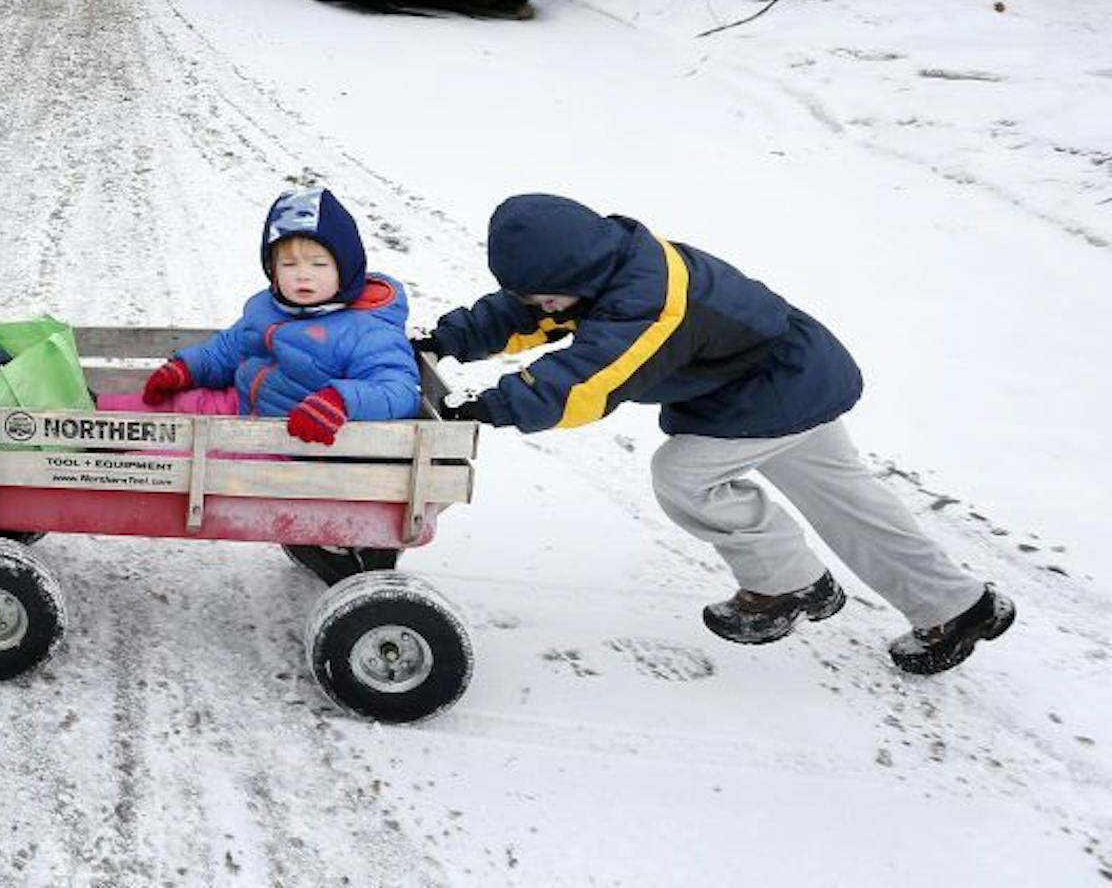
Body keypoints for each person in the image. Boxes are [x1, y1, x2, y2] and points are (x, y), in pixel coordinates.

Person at [420, 193, 1013, 676]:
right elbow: (523, 314)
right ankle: (960, 606)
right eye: (532, 294)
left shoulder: (651, 299)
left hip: (775, 387)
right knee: (849, 502)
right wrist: (444, 341)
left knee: (684, 474)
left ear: (577, 269)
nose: (539, 305)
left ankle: (792, 585)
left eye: (544, 293)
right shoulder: (600, 266)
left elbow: (589, 382)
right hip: (777, 376)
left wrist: (491, 406)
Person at [104, 187, 421, 441]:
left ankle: (122, 462)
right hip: (238, 405)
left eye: (318, 264)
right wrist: (189, 368)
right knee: (174, 405)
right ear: (272, 269)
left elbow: (398, 389)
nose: (302, 275)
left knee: (177, 462)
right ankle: (94, 417)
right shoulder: (267, 307)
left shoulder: (367, 329)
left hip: (287, 440)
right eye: (288, 264)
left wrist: (341, 401)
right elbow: (230, 346)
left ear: (346, 268)